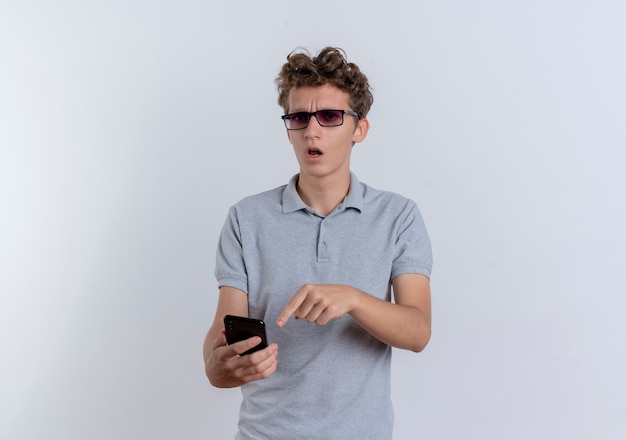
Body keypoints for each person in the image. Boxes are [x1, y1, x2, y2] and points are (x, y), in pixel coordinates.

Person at [203, 46, 433, 440]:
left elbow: (418, 331)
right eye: (299, 117)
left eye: (329, 117)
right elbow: (221, 335)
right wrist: (218, 366)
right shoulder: (247, 217)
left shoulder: (398, 216)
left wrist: (353, 298)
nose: (312, 131)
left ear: (359, 129)